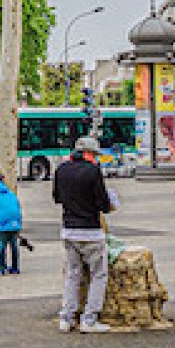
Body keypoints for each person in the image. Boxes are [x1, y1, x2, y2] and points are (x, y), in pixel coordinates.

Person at [53, 135, 113, 333]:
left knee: (72, 274)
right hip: (91, 231)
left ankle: (66, 317)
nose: (96, 158)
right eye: (95, 154)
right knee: (99, 275)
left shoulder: (61, 169)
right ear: (89, 153)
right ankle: (89, 319)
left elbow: (57, 197)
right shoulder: (93, 171)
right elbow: (103, 204)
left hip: (69, 230)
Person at [0, 170, 23, 275]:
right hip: (14, 222)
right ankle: (15, 267)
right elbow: (18, 207)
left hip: (3, 222)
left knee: (2, 245)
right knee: (14, 245)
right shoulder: (9, 192)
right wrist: (19, 222)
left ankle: (2, 267)